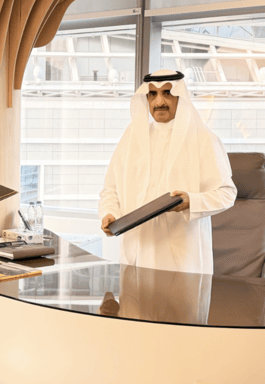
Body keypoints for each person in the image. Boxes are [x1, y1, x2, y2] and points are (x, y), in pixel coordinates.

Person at [98, 69, 236, 273]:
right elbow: (111, 189)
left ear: (180, 97)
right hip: (135, 251)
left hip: (181, 258)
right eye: (152, 94)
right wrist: (110, 214)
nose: (159, 102)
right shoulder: (132, 137)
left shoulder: (203, 139)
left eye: (167, 93)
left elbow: (227, 193)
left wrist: (191, 201)